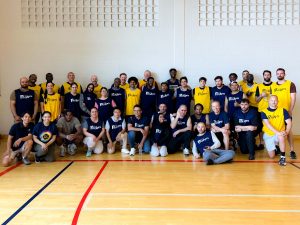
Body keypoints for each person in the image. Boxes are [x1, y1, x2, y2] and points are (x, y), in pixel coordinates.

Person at [271, 68, 297, 159]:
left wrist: (290, 110)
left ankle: (292, 150)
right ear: (276, 75)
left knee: (288, 131)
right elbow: (272, 99)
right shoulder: (273, 85)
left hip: (286, 111)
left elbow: (293, 98)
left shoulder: (290, 84)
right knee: (277, 129)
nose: (280, 75)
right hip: (276, 112)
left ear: (284, 74)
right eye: (278, 73)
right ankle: (278, 148)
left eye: (281, 73)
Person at [261, 95, 292, 166]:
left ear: (278, 102)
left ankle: (282, 157)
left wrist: (286, 132)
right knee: (271, 156)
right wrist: (278, 133)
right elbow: (268, 125)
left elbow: (289, 122)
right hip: (269, 134)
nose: (273, 102)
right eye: (271, 100)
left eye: (275, 100)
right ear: (268, 101)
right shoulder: (264, 112)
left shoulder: (283, 110)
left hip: (280, 133)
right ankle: (277, 147)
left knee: (281, 137)